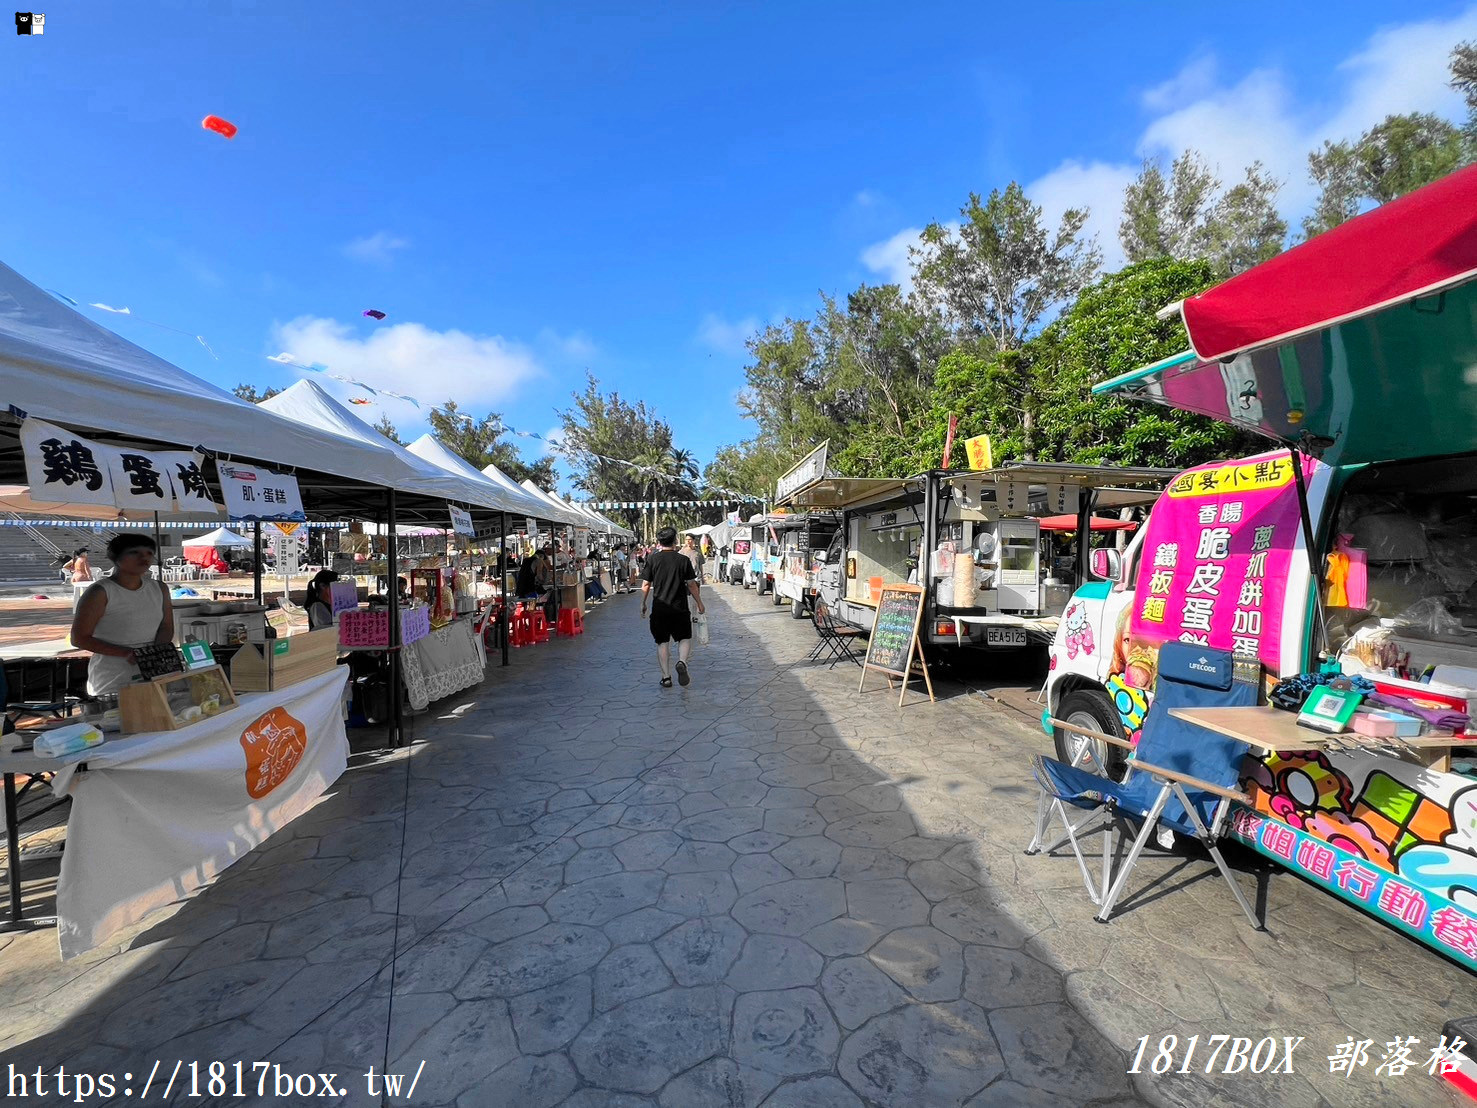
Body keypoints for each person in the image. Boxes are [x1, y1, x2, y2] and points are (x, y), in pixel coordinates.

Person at [70, 533, 174, 696]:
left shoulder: (160, 588)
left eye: (149, 553)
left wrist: (154, 655)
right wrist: (127, 653)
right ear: (116, 557)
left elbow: (166, 626)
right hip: (113, 676)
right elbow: (79, 638)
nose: (144, 558)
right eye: (134, 552)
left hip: (154, 671)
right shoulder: (99, 592)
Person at [641, 526, 705, 688]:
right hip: (680, 608)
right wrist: (699, 602)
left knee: (662, 642)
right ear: (675, 540)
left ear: (659, 541)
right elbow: (691, 585)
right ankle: (682, 662)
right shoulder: (683, 560)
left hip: (660, 608)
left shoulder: (653, 559)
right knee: (684, 638)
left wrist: (643, 603)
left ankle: (666, 677)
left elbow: (646, 584)